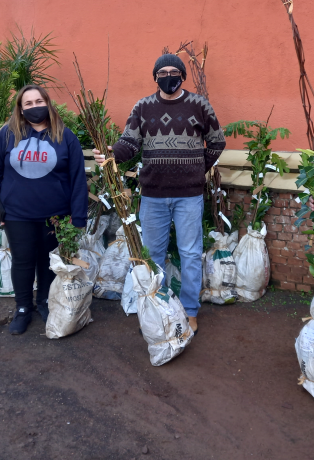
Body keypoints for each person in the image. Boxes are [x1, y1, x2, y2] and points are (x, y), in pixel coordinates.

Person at [93, 53, 226, 333]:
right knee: (153, 255)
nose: (168, 76)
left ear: (182, 76)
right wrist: (111, 154)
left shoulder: (199, 105)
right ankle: (160, 308)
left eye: (174, 72)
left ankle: (189, 311)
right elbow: (129, 144)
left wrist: (196, 169)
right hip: (153, 194)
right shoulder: (142, 108)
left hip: (188, 195)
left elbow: (216, 142)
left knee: (190, 253)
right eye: (162, 72)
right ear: (155, 77)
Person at [0, 84, 88, 335]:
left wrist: (78, 217)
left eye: (38, 101)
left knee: (48, 262)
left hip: (56, 216)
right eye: (28, 104)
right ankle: (22, 308)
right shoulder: (7, 134)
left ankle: (45, 303)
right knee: (23, 261)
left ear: (48, 103)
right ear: (20, 108)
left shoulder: (64, 135)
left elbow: (77, 178)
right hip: (18, 213)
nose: (34, 107)